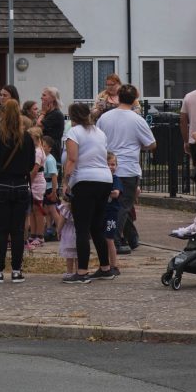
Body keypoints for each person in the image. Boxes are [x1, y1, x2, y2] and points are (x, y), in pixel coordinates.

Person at [97, 84, 156, 253]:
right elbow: (151, 144)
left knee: (114, 204)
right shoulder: (137, 120)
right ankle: (114, 241)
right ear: (135, 99)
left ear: (119, 97)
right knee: (123, 206)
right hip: (128, 167)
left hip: (107, 166)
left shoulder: (105, 117)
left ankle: (131, 237)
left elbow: (99, 138)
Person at [61, 102, 114, 284]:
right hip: (105, 180)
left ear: (73, 116)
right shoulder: (100, 132)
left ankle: (82, 272)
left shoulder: (74, 132)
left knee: (82, 227)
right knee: (97, 226)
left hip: (84, 181)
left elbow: (72, 159)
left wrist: (65, 182)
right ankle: (106, 268)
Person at [0, 99, 35, 284]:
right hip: (22, 185)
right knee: (17, 230)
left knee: (1, 231)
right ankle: (16, 270)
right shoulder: (27, 138)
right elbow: (31, 163)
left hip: (3, 186)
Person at [27, 126, 46, 248]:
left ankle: (40, 235)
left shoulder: (38, 152)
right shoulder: (34, 150)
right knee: (33, 209)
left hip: (37, 182)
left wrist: (29, 181)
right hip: (34, 182)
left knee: (38, 210)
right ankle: (33, 234)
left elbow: (35, 170)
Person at [104, 152, 123, 276]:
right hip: (102, 212)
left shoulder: (115, 178)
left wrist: (104, 192)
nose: (111, 167)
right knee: (102, 238)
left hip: (111, 212)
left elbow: (116, 193)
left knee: (109, 238)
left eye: (113, 164)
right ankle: (105, 264)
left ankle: (114, 265)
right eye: (109, 164)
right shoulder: (102, 179)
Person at [41, 134, 60, 239]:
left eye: (44, 145)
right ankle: (49, 229)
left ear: (49, 148)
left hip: (50, 188)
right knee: (47, 210)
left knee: (53, 210)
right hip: (45, 187)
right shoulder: (43, 159)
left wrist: (53, 191)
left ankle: (60, 229)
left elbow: (53, 176)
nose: (42, 147)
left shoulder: (50, 160)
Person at [39, 87, 65, 159]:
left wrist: (43, 113)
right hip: (45, 148)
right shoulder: (49, 113)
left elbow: (38, 125)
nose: (41, 97)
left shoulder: (56, 114)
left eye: (44, 95)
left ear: (53, 98)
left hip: (51, 150)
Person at [57, 197, 77, 280]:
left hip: (68, 235)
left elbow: (61, 222)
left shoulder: (65, 209)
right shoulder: (80, 207)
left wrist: (58, 231)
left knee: (69, 256)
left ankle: (69, 272)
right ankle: (79, 272)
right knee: (77, 255)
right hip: (77, 233)